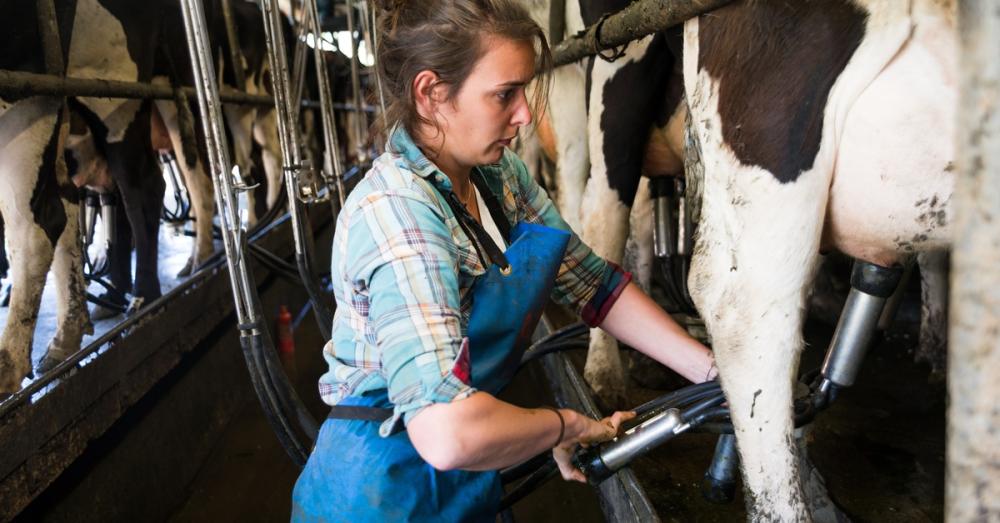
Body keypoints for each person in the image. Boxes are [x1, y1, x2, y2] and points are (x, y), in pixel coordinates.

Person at [291, 1, 717, 520]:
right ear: (430, 94)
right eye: (504, 95)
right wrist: (565, 425)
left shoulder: (497, 176)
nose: (525, 115)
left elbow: (591, 285)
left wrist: (712, 371)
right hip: (379, 487)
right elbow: (446, 432)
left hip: (467, 469)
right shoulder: (399, 214)